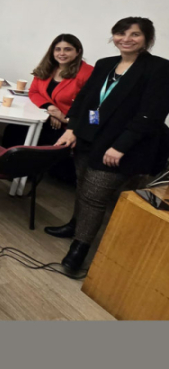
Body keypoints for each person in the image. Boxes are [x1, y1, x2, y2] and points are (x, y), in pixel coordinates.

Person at [50, 17, 169, 272]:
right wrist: (72, 129)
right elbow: (84, 100)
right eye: (120, 33)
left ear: (147, 39)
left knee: (95, 196)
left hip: (123, 145)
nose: (126, 39)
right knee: (83, 185)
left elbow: (151, 115)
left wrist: (121, 147)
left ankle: (79, 248)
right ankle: (75, 224)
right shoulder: (105, 64)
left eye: (134, 34)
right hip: (89, 139)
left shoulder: (158, 68)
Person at [2, 34, 93, 151]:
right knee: (13, 130)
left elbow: (92, 107)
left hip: (68, 126)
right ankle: (6, 166)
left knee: (43, 142)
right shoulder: (47, 67)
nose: (62, 53)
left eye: (68, 49)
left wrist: (63, 118)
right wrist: (51, 109)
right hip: (46, 116)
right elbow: (34, 92)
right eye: (58, 49)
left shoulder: (87, 73)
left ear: (78, 52)